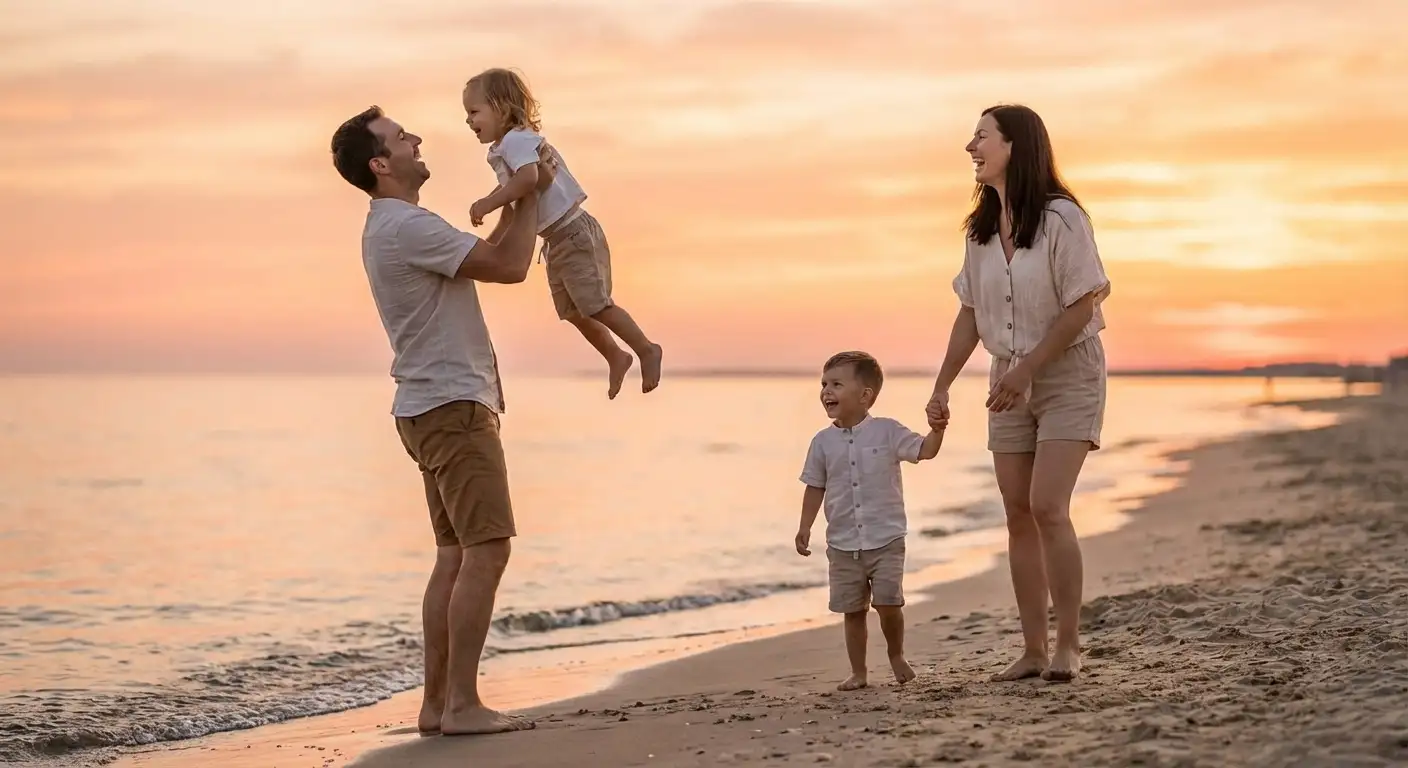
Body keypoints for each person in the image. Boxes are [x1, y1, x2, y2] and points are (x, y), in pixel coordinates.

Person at [329, 105, 559, 735]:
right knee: (487, 550)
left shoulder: (391, 225)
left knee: (454, 555)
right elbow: (510, 266)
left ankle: (437, 704)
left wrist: (518, 194)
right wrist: (531, 189)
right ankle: (460, 704)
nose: (418, 139)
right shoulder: (405, 225)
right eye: (402, 138)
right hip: (451, 409)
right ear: (381, 165)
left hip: (428, 407)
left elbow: (496, 253)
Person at [925, 104, 1112, 684]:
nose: (970, 146)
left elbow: (1084, 302)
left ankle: (1068, 647)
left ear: (1016, 146)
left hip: (1065, 373)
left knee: (1049, 506)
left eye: (981, 136)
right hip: (1007, 379)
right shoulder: (980, 232)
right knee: (1016, 513)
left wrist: (1030, 367)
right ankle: (1033, 649)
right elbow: (969, 312)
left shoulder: (1062, 219)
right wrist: (942, 384)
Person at [463, 67, 663, 400]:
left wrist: (487, 202)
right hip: (556, 241)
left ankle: (645, 348)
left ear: (500, 108)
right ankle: (615, 355)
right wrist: (490, 244)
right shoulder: (503, 150)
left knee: (595, 304)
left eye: (473, 112)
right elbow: (516, 207)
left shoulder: (518, 140)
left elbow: (529, 180)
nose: (468, 121)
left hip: (574, 234)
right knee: (572, 311)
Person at [796, 351, 945, 691]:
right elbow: (814, 486)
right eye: (823, 384)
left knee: (889, 603)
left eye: (836, 384)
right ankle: (859, 671)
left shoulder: (887, 431)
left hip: (887, 538)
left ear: (865, 395)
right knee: (853, 610)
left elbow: (925, 450)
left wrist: (937, 430)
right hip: (843, 542)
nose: (826, 392)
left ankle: (896, 655)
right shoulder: (821, 442)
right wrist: (805, 526)